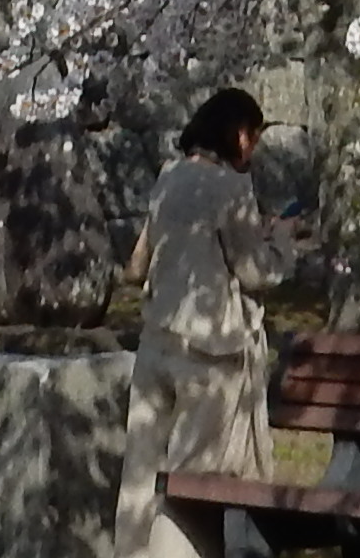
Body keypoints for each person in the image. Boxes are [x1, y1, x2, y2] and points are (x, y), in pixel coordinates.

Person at [115, 87, 293, 558]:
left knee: (140, 475)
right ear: (240, 134)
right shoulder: (229, 188)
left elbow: (136, 267)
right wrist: (284, 241)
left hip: (156, 344)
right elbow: (256, 270)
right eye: (253, 137)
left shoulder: (168, 177)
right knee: (190, 487)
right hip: (208, 352)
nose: (252, 148)